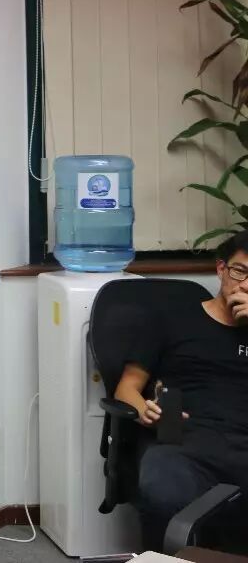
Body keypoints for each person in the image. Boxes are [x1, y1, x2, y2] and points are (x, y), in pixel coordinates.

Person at [115, 231, 248, 552]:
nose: (245, 285)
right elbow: (126, 389)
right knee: (164, 485)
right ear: (221, 269)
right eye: (239, 272)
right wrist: (145, 411)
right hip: (186, 441)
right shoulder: (173, 320)